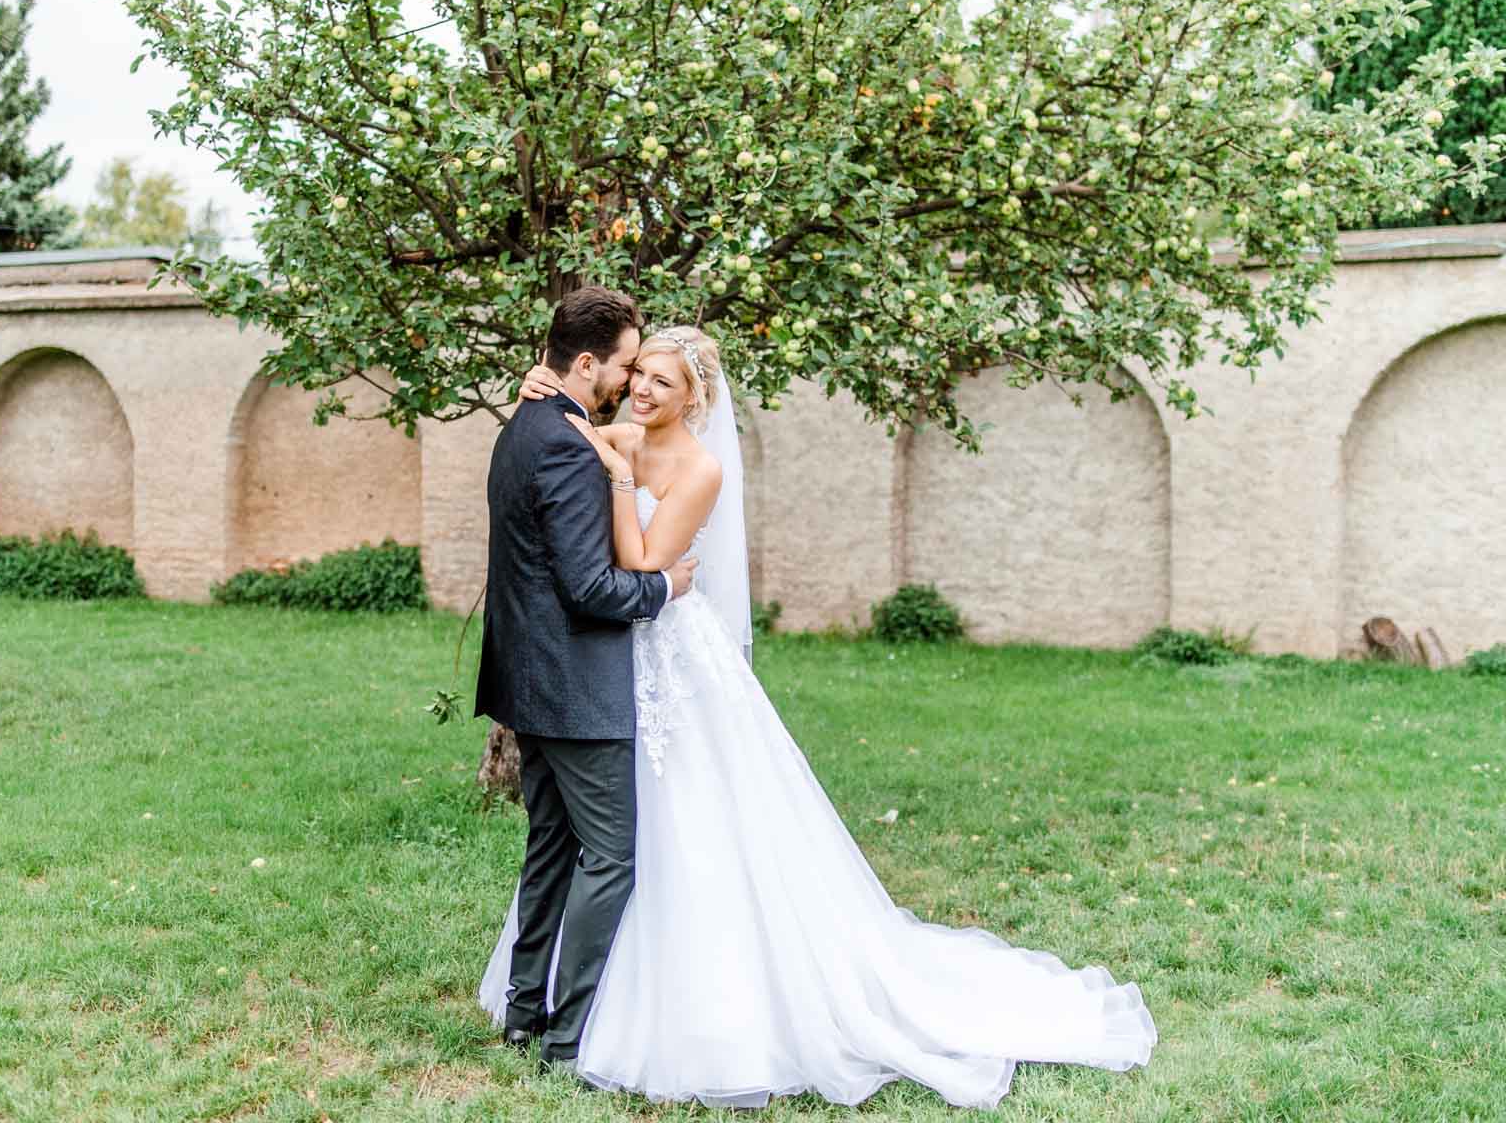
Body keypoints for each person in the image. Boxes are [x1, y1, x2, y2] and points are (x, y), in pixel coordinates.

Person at [479, 324, 1157, 1109]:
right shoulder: (613, 430)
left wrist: (623, 480)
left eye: (662, 381)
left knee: (676, 827)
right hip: (610, 661)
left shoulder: (697, 468)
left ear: (696, 397)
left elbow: (639, 563)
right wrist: (539, 382)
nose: (642, 389)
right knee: (603, 841)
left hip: (662, 647)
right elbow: (570, 409)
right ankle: (562, 1012)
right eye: (639, 375)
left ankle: (609, 1020)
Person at [473, 286, 697, 1072]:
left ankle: (523, 1015)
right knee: (610, 858)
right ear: (588, 361)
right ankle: (566, 1037)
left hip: (527, 682)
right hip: (573, 685)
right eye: (625, 366)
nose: (630, 383)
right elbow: (592, 588)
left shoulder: (526, 424)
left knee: (550, 850)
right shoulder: (568, 445)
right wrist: (667, 589)